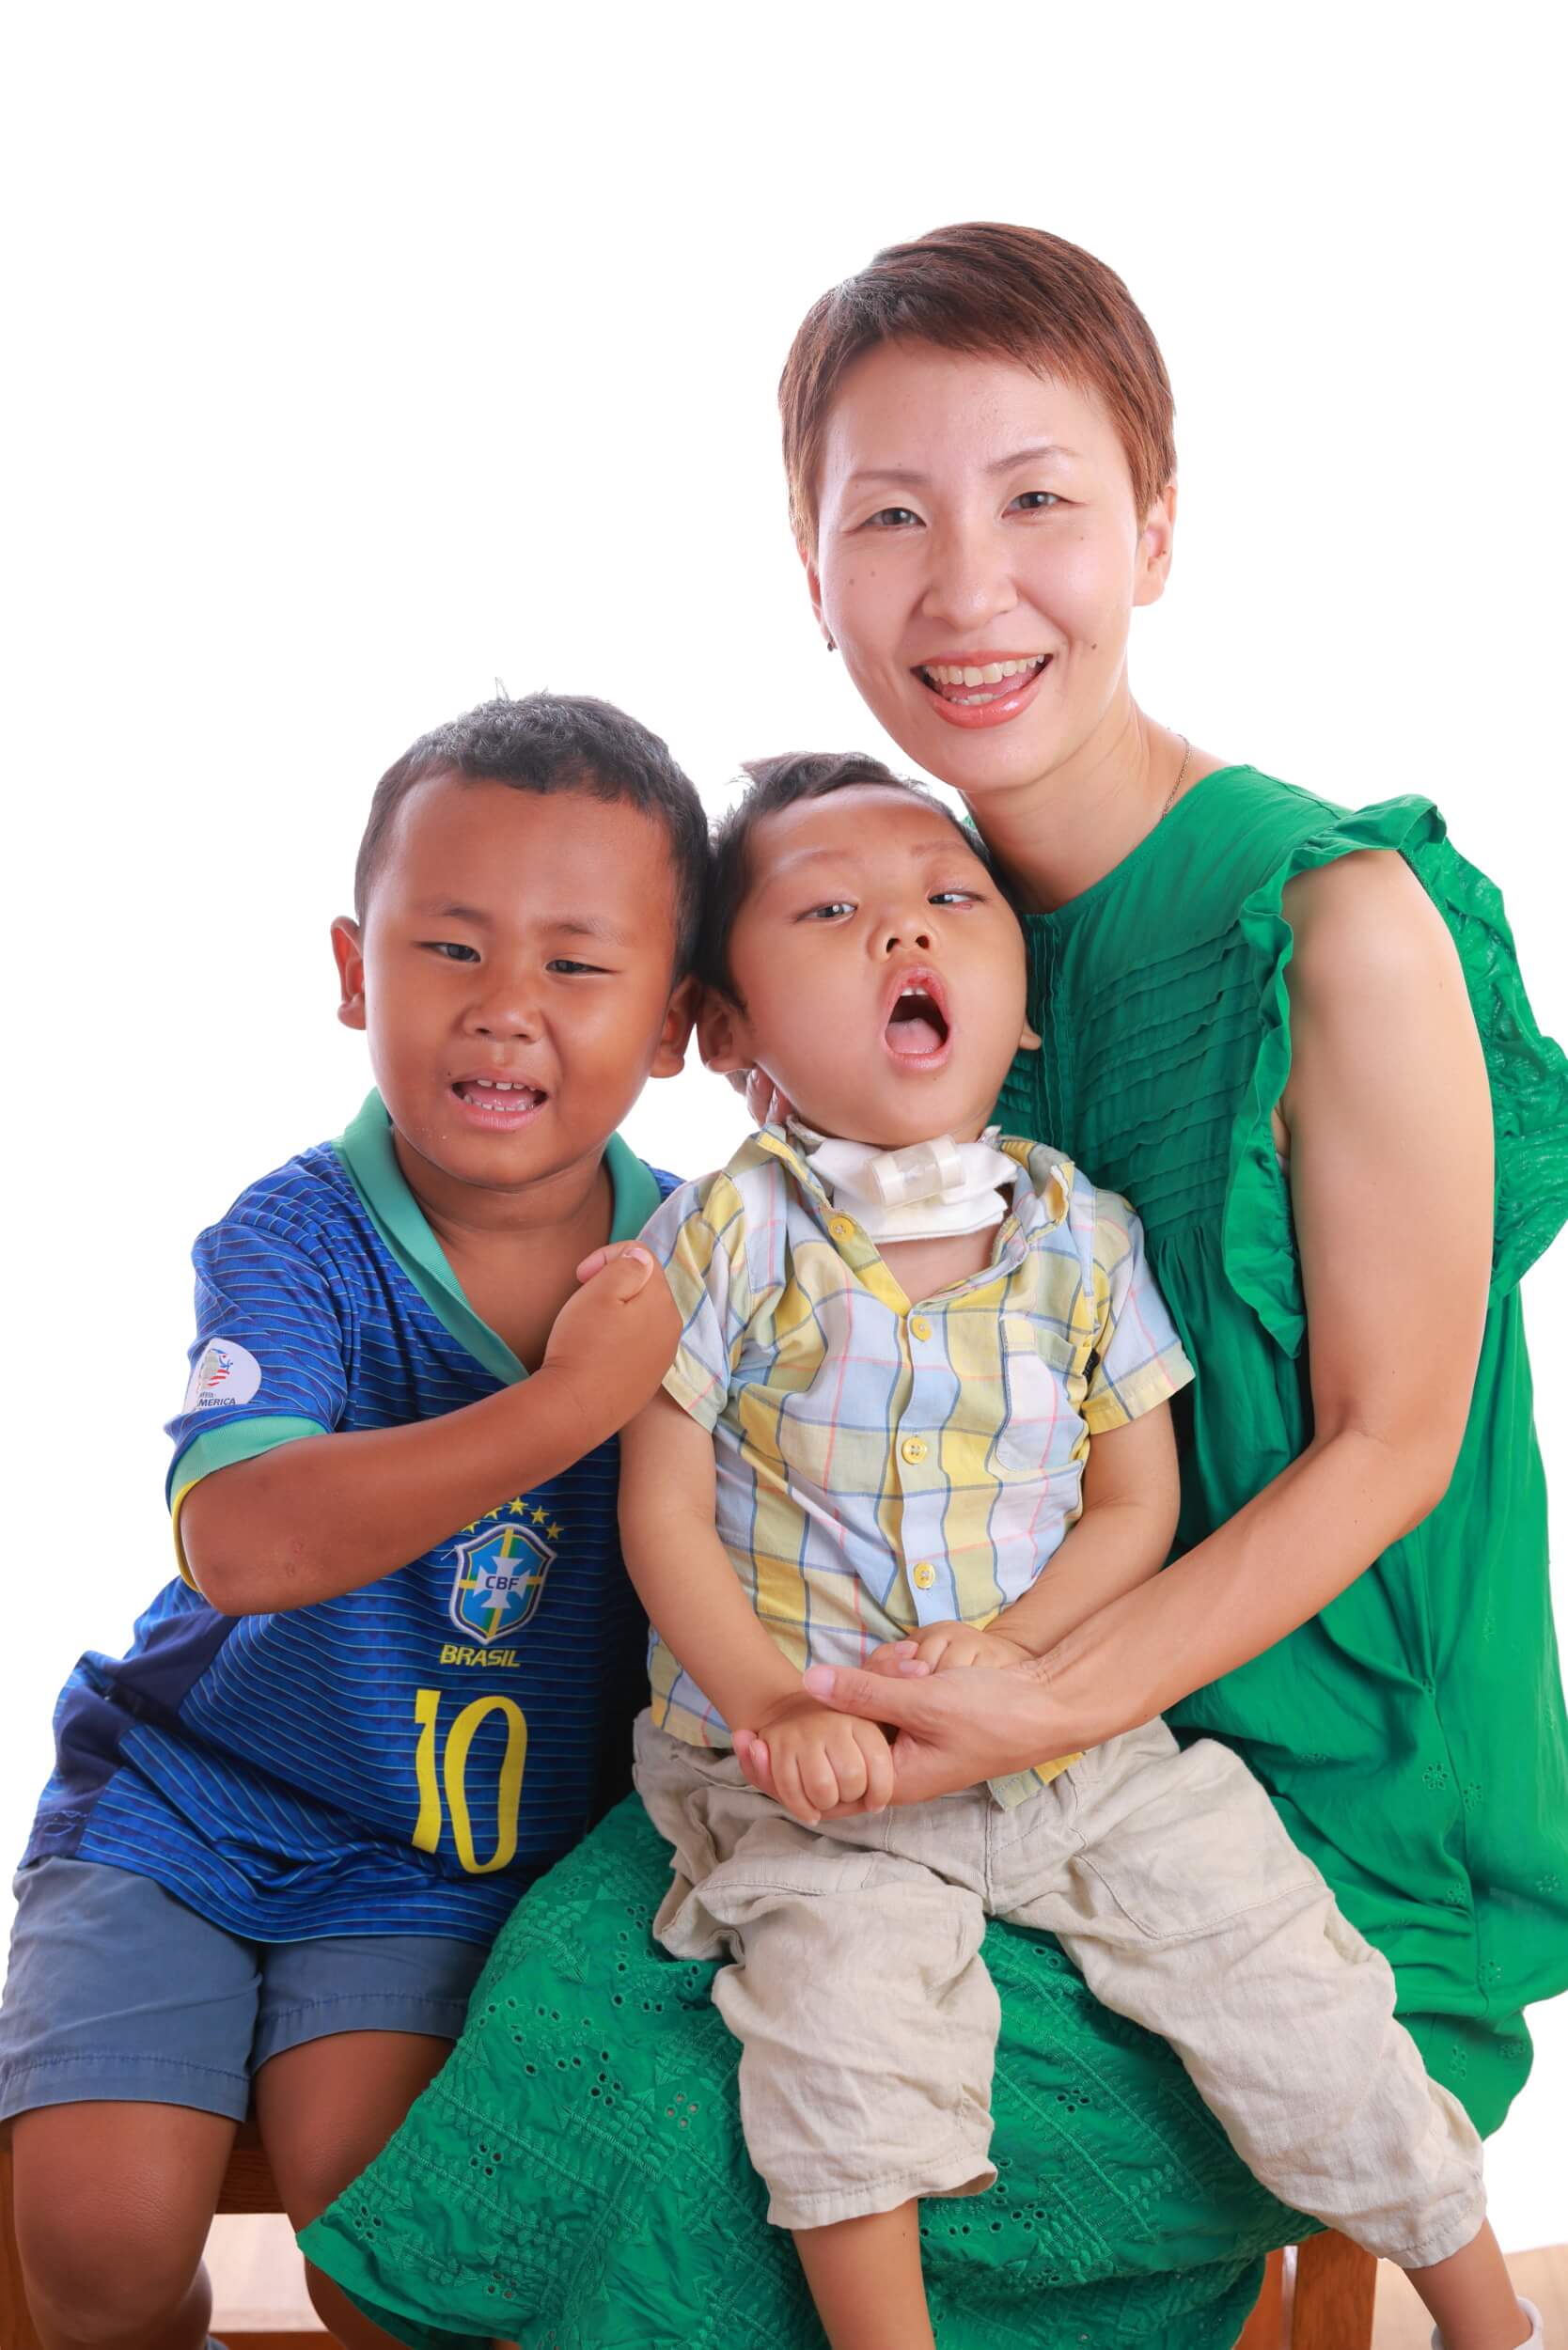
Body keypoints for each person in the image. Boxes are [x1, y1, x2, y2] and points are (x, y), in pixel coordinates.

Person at [301, 227, 1568, 2350]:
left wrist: (1037, 1700)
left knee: (712, 2157)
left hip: (1281, 1810)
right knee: (520, 2094)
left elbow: (1393, 1443)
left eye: (1037, 498)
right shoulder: (912, 943)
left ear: (1155, 528)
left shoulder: (1338, 922)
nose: (968, 590)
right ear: (812, 573)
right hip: (873, 1749)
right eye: (891, 516)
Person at [621, 749, 1539, 2350]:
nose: (903, 931)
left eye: (950, 901)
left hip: (1083, 1752)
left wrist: (1022, 1655)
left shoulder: (1081, 1236)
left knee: (1281, 1973)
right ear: (728, 1028)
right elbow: (661, 1509)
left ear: (1025, 1013)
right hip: (820, 1784)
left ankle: (1487, 2318)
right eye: (830, 912)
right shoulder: (723, 1235)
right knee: (837, 2037)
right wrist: (772, 1708)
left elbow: (1134, 1507)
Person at [0, 692, 698, 2350]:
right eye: (450, 949)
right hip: (185, 1806)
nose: (505, 1008)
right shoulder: (295, 1238)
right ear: (352, 969)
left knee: (385, 2248)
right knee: (96, 2236)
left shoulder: (712, 1262)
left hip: (452, 1860)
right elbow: (242, 1543)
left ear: (677, 1019)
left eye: (576, 965)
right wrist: (562, 1409)